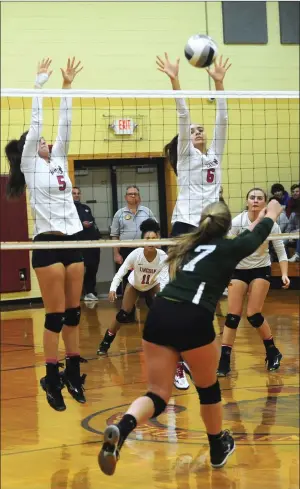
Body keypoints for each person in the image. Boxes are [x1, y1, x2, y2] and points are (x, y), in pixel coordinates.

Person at [97, 199, 284, 476]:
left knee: (158, 394)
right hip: (194, 318)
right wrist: (273, 211)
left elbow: (249, 232)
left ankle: (122, 429)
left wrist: (260, 217)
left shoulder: (191, 245)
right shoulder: (230, 247)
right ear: (227, 226)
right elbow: (257, 233)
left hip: (160, 313)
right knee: (208, 389)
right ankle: (217, 446)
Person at [5, 57, 86, 412]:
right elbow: (38, 123)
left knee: (74, 313)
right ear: (30, 147)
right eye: (39, 141)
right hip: (49, 242)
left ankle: (72, 371)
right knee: (54, 315)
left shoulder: (58, 159)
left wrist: (66, 86)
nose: (47, 141)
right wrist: (39, 85)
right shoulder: (29, 164)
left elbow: (64, 124)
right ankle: (50, 376)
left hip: (74, 239)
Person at [156, 52, 230, 389]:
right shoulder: (184, 157)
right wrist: (175, 80)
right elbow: (183, 114)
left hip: (210, 228)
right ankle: (174, 360)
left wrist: (219, 85)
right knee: (178, 292)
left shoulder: (214, 154)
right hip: (186, 226)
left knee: (206, 295)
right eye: (195, 130)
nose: (198, 131)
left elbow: (223, 120)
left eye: (201, 130)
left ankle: (198, 353)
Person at [217, 188, 290, 378]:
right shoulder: (237, 222)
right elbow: (228, 250)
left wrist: (284, 274)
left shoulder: (271, 225)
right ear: (247, 200)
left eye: (259, 198)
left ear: (265, 203)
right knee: (232, 317)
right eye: (252, 197)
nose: (255, 201)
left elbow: (281, 251)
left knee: (253, 314)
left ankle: (272, 350)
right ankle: (224, 360)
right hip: (239, 270)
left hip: (260, 269)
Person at [97, 219, 169, 355]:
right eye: (148, 238)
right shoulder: (136, 254)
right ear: (143, 240)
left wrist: (163, 300)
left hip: (153, 285)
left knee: (161, 312)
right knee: (123, 314)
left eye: (154, 239)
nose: (151, 241)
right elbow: (121, 271)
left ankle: (162, 343)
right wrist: (113, 288)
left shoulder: (163, 257)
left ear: (158, 240)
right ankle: (105, 343)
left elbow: (165, 280)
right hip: (135, 285)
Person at [110, 185, 156, 320]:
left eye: (135, 194)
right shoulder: (119, 214)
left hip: (145, 250)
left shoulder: (147, 212)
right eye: (130, 194)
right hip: (126, 251)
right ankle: (128, 313)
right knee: (128, 280)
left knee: (149, 278)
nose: (133, 196)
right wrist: (116, 253)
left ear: (139, 196)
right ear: (125, 197)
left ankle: (154, 313)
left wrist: (156, 247)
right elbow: (114, 235)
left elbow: (155, 231)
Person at [72, 186, 101, 301]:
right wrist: (81, 224)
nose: (76, 195)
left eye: (78, 193)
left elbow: (92, 221)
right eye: (74, 193)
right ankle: (76, 293)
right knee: (76, 269)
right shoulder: (67, 208)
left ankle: (90, 292)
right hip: (77, 244)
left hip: (92, 243)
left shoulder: (86, 208)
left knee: (92, 268)